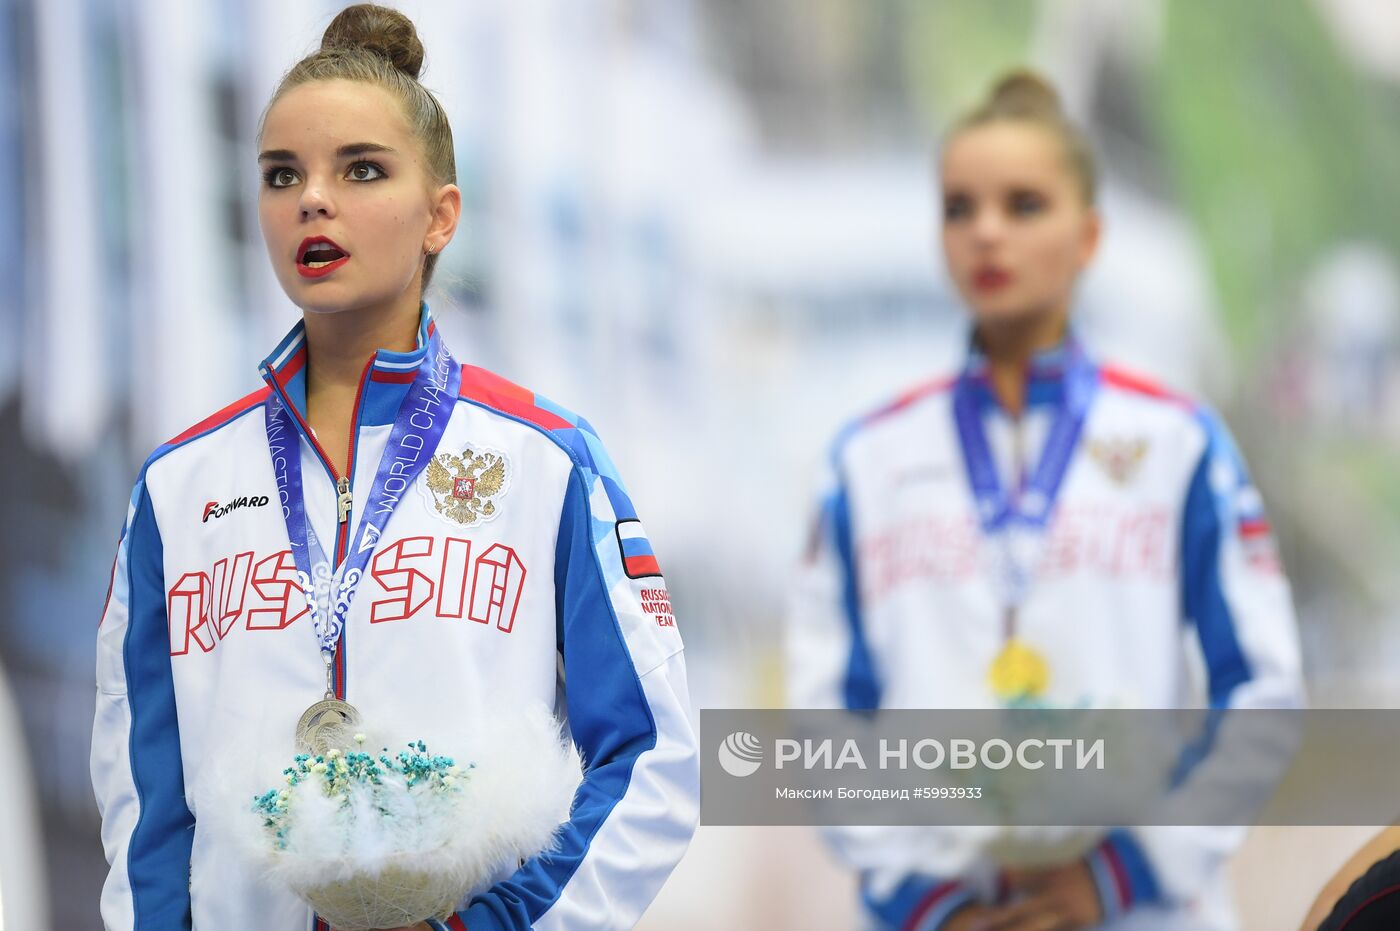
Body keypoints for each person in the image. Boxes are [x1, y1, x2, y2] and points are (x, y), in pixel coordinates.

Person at [90, 6, 698, 929]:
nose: (312, 200)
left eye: (361, 169)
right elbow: (144, 800)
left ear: (440, 215)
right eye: (282, 174)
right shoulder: (178, 488)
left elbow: (652, 757)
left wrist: (494, 923)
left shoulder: (544, 461)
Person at [786, 71, 1304, 931]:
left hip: (1140, 911)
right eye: (959, 208)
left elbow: (1261, 691)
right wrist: (931, 902)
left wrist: (1121, 872)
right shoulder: (867, 459)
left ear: (1089, 234)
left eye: (1024, 205)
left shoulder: (1177, 442)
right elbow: (826, 718)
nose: (987, 231)